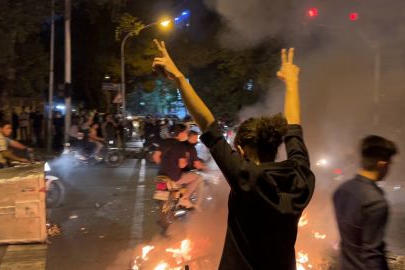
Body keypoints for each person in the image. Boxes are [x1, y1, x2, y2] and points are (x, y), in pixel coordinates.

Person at [152, 40, 314, 269]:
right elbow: (294, 128)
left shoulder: (246, 178)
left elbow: (208, 125)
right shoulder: (300, 177)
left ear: (241, 150)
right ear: (276, 144)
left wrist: (179, 78)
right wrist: (292, 82)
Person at [333, 136, 398, 270]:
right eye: (389, 163)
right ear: (382, 164)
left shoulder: (342, 190)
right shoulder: (375, 201)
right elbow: (372, 254)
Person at [152, 123, 202, 209]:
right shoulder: (181, 145)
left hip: (161, 174)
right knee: (197, 177)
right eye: (186, 132)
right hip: (174, 176)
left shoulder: (164, 142)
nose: (187, 134)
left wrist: (165, 165)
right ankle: (185, 198)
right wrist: (186, 162)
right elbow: (182, 165)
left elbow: (155, 157)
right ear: (180, 133)